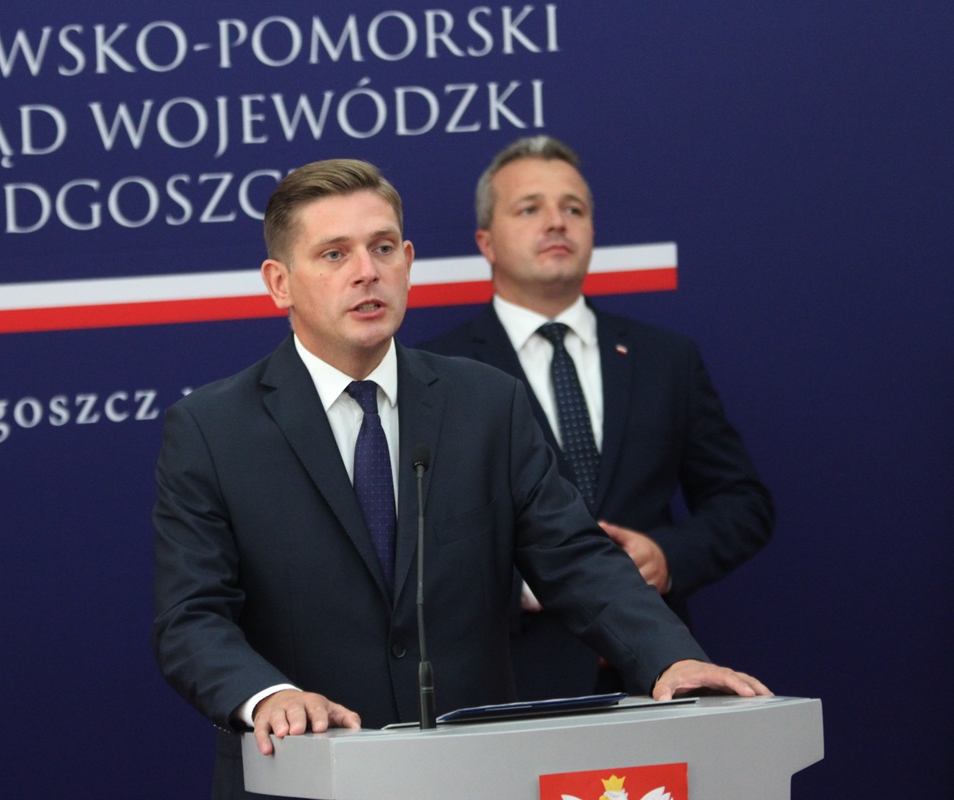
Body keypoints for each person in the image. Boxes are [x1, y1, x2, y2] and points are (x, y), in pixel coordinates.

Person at [152, 158, 770, 800]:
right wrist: (268, 695)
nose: (366, 271)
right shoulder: (212, 429)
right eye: (334, 254)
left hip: (474, 774)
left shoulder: (486, 403)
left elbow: (576, 558)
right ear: (279, 283)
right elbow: (190, 616)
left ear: (407, 262)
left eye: (382, 248)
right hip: (302, 776)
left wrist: (670, 656)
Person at [420, 136, 774, 699]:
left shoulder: (665, 359)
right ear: (486, 242)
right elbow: (413, 542)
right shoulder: (439, 372)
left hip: (653, 675)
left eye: (574, 209)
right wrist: (528, 583)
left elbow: (743, 504)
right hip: (509, 680)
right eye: (530, 209)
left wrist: (667, 557)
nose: (556, 222)